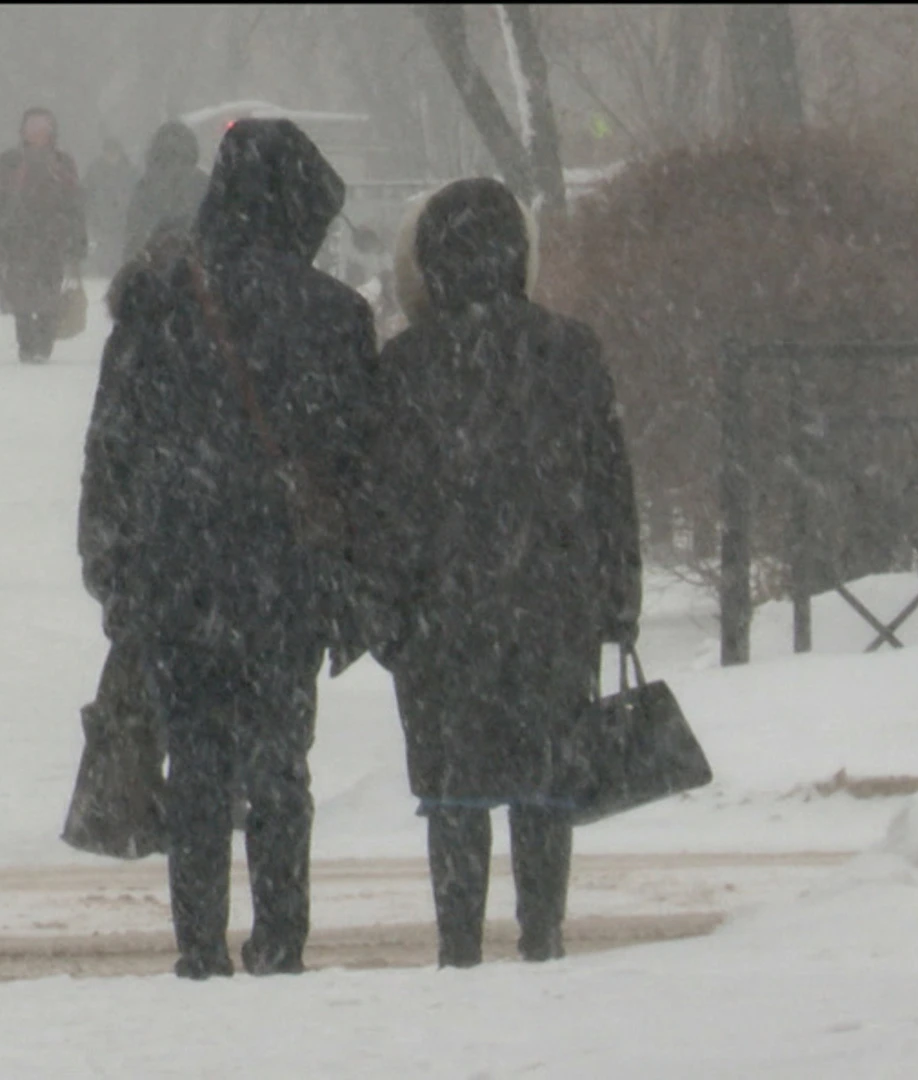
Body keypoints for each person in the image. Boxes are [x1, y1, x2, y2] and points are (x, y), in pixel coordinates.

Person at [80, 119, 378, 978]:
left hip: (179, 572)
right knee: (281, 765)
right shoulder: (334, 316)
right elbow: (358, 461)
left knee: (196, 762)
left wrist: (112, 564)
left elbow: (113, 445)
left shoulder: (160, 300)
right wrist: (353, 579)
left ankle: (199, 945)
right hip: (285, 574)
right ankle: (281, 939)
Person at [358, 177, 642, 968]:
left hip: (441, 611)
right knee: (544, 780)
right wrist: (618, 596)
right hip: (552, 601)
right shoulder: (571, 348)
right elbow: (609, 482)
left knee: (454, 788)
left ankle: (458, 943)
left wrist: (385, 608)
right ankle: (543, 933)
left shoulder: (409, 363)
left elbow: (386, 500)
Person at [0, 107, 88, 364]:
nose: (38, 133)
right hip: (17, 238)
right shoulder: (10, 161)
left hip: (53, 238)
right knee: (20, 295)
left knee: (49, 292)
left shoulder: (62, 162)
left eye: (43, 128)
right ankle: (27, 344)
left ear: (52, 132)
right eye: (33, 127)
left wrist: (77, 238)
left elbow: (75, 202)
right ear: (23, 131)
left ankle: (43, 343)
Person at [122, 119, 209, 270]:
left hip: (152, 266)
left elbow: (135, 229)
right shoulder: (202, 183)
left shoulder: (146, 184)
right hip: (194, 268)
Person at [83, 138, 137, 277]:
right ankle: (104, 272)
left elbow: (135, 193)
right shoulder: (94, 170)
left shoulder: (129, 170)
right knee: (104, 248)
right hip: (102, 219)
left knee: (119, 248)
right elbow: (87, 194)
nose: (111, 156)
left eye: (114, 153)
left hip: (122, 219)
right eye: (108, 153)